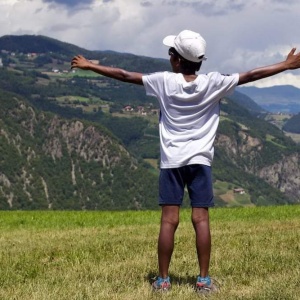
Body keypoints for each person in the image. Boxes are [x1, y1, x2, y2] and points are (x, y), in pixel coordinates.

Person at [71, 29, 300, 293]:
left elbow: (124, 75)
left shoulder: (163, 82)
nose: (169, 57)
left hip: (172, 161)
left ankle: (163, 280)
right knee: (200, 219)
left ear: (177, 60)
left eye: (171, 53)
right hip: (201, 161)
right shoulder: (214, 82)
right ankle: (203, 281)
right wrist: (286, 65)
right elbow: (251, 75)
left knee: (169, 220)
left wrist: (90, 66)